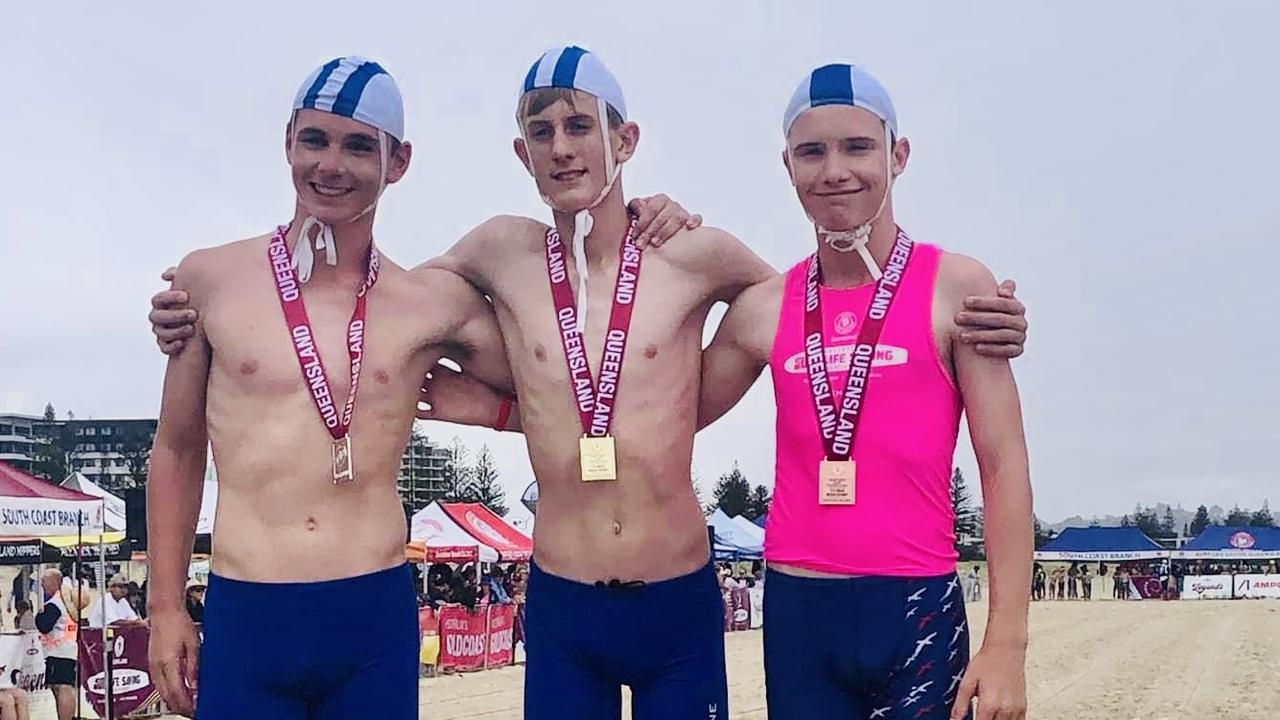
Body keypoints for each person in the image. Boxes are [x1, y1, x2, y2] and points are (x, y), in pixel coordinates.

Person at [150, 48, 1027, 720]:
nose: (563, 148)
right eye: (543, 131)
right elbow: (406, 315)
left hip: (679, 595)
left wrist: (975, 322)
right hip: (562, 601)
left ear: (626, 140)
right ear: (521, 150)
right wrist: (500, 409)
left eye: (582, 127)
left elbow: (814, 312)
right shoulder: (496, 252)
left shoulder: (695, 254)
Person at [143, 54, 693, 720]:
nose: (331, 165)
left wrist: (493, 413)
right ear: (288, 140)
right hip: (248, 609)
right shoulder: (210, 282)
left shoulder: (429, 305)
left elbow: (575, 395)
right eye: (315, 139)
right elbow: (175, 450)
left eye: (356, 146)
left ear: (397, 162)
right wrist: (167, 606)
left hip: (371, 615)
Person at [34, 569, 76, 720]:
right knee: (61, 686)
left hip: (59, 650)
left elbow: (44, 625)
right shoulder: (66, 601)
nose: (42, 584)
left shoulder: (55, 604)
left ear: (54, 582)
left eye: (44, 580)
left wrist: (39, 615)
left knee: (62, 687)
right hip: (67, 648)